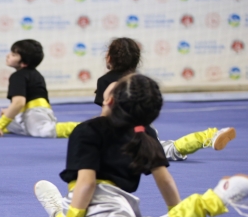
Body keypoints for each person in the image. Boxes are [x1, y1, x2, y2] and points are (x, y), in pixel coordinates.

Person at [34, 75, 248, 217]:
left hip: (100, 206)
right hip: (114, 204)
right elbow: (165, 181)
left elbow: (86, 185)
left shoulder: (86, 130)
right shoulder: (146, 133)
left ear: (108, 100)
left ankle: (211, 202)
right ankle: (57, 210)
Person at [95, 37, 236, 160]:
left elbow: (106, 115)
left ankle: (209, 136)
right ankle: (210, 135)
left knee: (163, 151)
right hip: (145, 129)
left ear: (109, 58)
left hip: (124, 135)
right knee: (165, 150)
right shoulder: (140, 80)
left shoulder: (105, 81)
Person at [0, 39, 78, 138]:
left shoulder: (18, 76)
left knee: (44, 132)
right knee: (25, 129)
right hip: (36, 112)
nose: (8, 55)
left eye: (13, 55)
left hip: (34, 113)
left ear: (24, 63)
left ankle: (81, 127)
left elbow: (19, 103)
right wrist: (10, 112)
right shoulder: (36, 74)